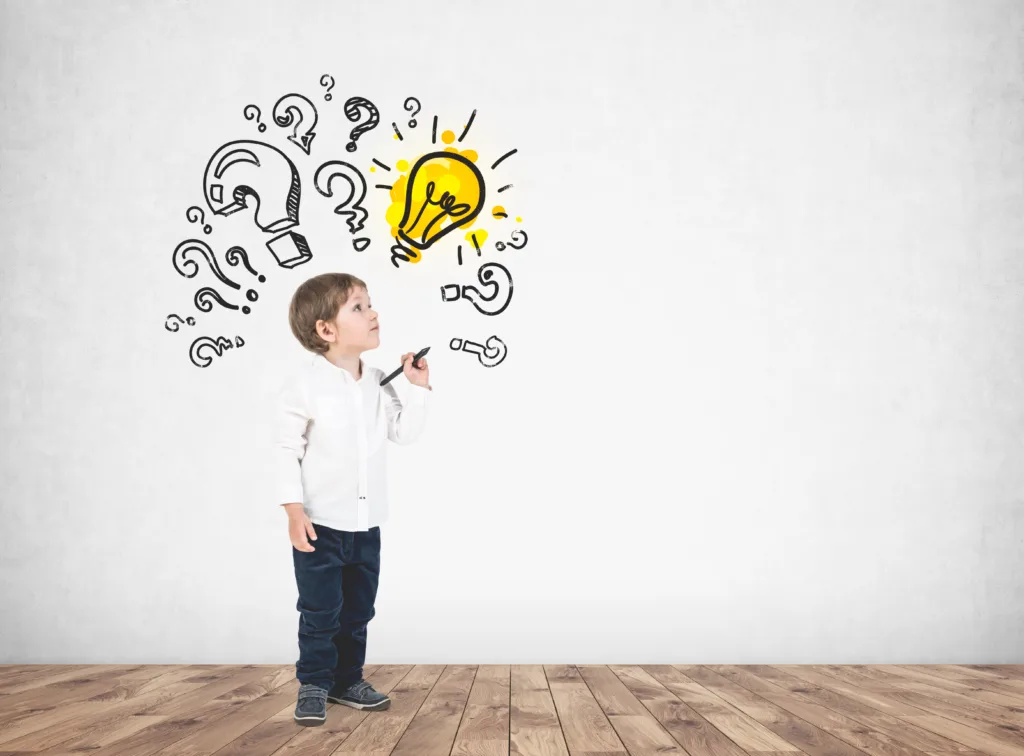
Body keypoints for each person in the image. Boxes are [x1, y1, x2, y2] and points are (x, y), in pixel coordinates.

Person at [271, 272, 432, 726]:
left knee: (358, 610)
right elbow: (286, 449)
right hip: (320, 525)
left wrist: (417, 388)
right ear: (327, 330)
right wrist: (293, 509)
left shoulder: (379, 382)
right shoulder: (304, 386)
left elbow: (404, 432)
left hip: (366, 525)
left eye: (370, 304)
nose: (373, 312)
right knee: (320, 611)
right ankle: (315, 683)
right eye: (359, 307)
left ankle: (347, 680)